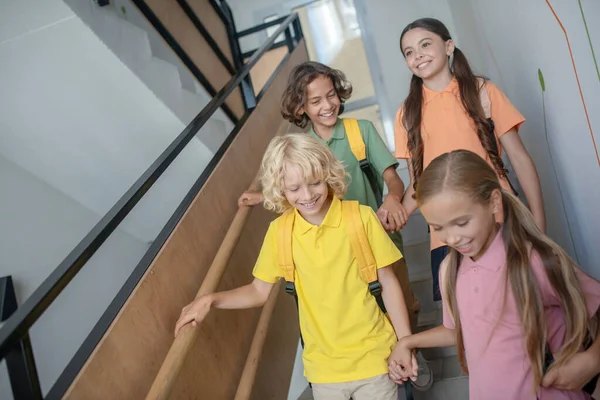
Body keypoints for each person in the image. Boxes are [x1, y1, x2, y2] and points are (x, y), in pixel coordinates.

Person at [176, 134, 415, 400]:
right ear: (280, 190)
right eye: (294, 189)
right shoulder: (280, 233)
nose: (307, 195)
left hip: (375, 358)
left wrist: (405, 342)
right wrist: (210, 300)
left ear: (328, 175)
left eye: (314, 183)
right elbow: (258, 291)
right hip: (323, 370)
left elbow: (389, 283)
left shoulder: (360, 217)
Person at [239, 61, 432, 390]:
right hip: (337, 251)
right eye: (316, 101)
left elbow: (391, 178)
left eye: (331, 96)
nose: (327, 105)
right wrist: (262, 196)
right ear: (301, 106)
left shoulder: (360, 132)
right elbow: (297, 185)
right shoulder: (304, 149)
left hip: (375, 238)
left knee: (398, 305)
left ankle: (410, 352)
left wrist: (392, 199)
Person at [387, 149, 600, 400]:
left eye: (462, 222)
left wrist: (592, 360)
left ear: (494, 202)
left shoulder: (532, 261)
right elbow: (458, 330)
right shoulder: (449, 272)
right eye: (437, 228)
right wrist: (407, 343)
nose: (452, 238)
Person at [394, 17, 546, 303]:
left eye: (425, 44)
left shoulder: (484, 93)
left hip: (498, 217)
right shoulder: (406, 114)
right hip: (445, 236)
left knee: (525, 309)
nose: (418, 55)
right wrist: (394, 213)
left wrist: (538, 224)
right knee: (471, 324)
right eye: (409, 52)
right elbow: (419, 187)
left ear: (448, 46)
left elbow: (521, 160)